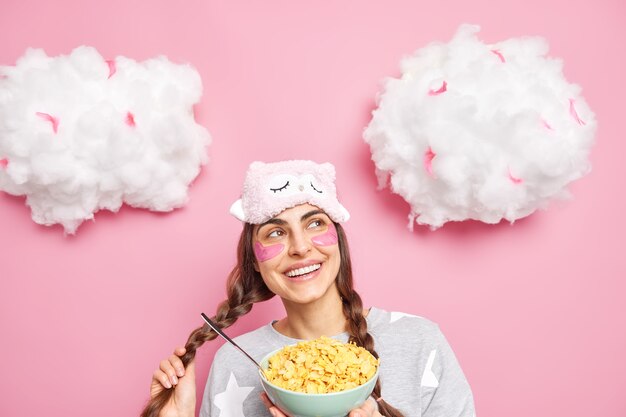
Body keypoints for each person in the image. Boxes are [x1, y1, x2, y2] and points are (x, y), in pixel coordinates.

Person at [141, 160, 475, 417]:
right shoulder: (235, 362)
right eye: (275, 232)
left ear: (338, 242)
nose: (300, 247)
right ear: (254, 260)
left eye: (315, 223)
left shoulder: (418, 342)